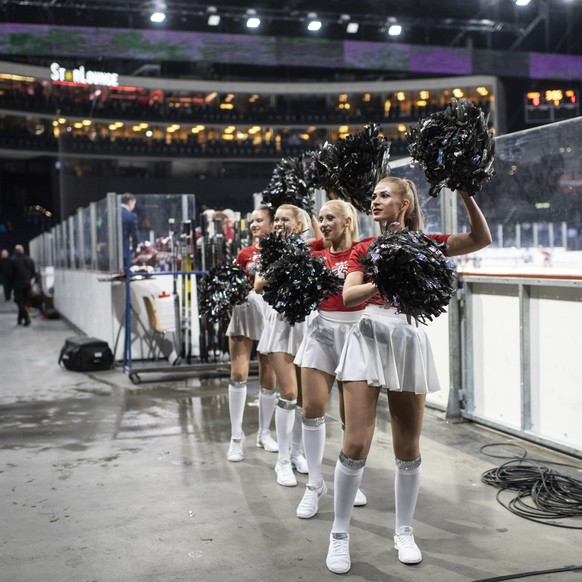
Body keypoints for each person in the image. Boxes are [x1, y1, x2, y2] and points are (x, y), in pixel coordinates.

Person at [325, 177, 492, 574]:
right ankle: (339, 534)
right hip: (368, 334)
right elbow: (349, 297)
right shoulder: (365, 247)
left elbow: (480, 238)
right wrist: (386, 275)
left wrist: (466, 192)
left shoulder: (427, 243)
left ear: (404, 202)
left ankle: (403, 531)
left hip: (407, 339)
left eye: (384, 194)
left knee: (408, 447)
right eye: (373, 195)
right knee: (356, 443)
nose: (375, 200)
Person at [294, 199, 367, 518]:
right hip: (321, 329)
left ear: (347, 221)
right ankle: (314, 484)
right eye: (320, 218)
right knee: (311, 409)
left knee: (352, 417)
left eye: (329, 218)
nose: (323, 223)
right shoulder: (312, 251)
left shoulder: (364, 250)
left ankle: (351, 480)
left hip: (358, 331)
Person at [255, 203, 317, 487]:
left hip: (307, 325)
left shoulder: (309, 248)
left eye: (284, 219)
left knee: (305, 399)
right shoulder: (270, 250)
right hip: (281, 325)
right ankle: (282, 461)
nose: (278, 223)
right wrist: (282, 263)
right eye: (276, 219)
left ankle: (296, 453)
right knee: (289, 392)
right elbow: (258, 285)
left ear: (298, 222)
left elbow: (324, 245)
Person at [225, 206, 278, 462]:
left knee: (269, 376)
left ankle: (264, 433)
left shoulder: (280, 251)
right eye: (252, 221)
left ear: (272, 224)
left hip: (270, 311)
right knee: (238, 373)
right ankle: (236, 438)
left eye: (260, 220)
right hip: (245, 310)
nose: (255, 224)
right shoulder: (244, 253)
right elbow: (236, 282)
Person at [10, 244, 37, 327]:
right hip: (27, 283)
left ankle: (26, 318)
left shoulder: (12, 260)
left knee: (19, 301)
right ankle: (20, 319)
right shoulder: (29, 259)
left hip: (17, 284)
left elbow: (10, 274)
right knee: (25, 302)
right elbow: (33, 272)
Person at [121, 192, 139, 269]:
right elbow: (135, 235)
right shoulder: (131, 216)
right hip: (125, 249)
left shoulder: (111, 213)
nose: (133, 207)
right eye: (134, 204)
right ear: (130, 202)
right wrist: (135, 248)